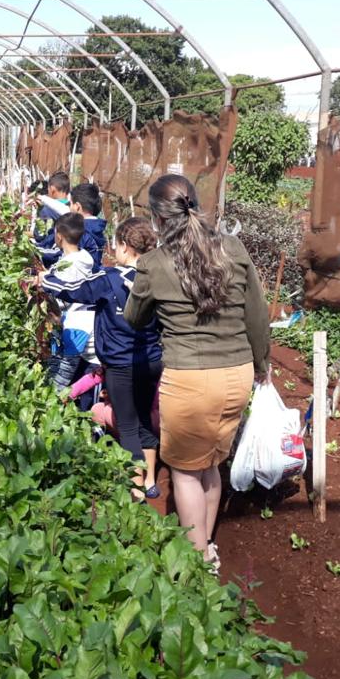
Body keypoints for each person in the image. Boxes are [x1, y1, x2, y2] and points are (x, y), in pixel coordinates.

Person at [124, 174, 269, 568]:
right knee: (211, 465)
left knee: (186, 473)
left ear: (156, 217)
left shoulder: (154, 264)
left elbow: (134, 318)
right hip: (237, 373)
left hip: (189, 380)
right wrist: (262, 365)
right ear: (197, 204)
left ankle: (198, 558)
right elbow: (256, 315)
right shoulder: (233, 248)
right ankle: (207, 543)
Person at [42, 217, 163, 499]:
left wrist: (44, 279)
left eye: (117, 244)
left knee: (128, 424)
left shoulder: (110, 279)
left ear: (124, 246)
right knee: (145, 419)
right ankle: (151, 482)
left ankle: (136, 491)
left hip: (121, 365)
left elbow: (73, 291)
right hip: (152, 360)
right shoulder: (160, 279)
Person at [39, 212, 95, 391]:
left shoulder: (70, 266)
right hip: (68, 321)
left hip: (75, 324)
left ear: (59, 235)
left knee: (63, 371)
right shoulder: (80, 258)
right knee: (58, 358)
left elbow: (63, 295)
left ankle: (53, 397)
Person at [39, 182, 107, 269]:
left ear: (77, 207)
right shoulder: (95, 228)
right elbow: (63, 210)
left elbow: (62, 256)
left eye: (70, 204)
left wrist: (35, 251)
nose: (69, 208)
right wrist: (42, 198)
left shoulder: (81, 231)